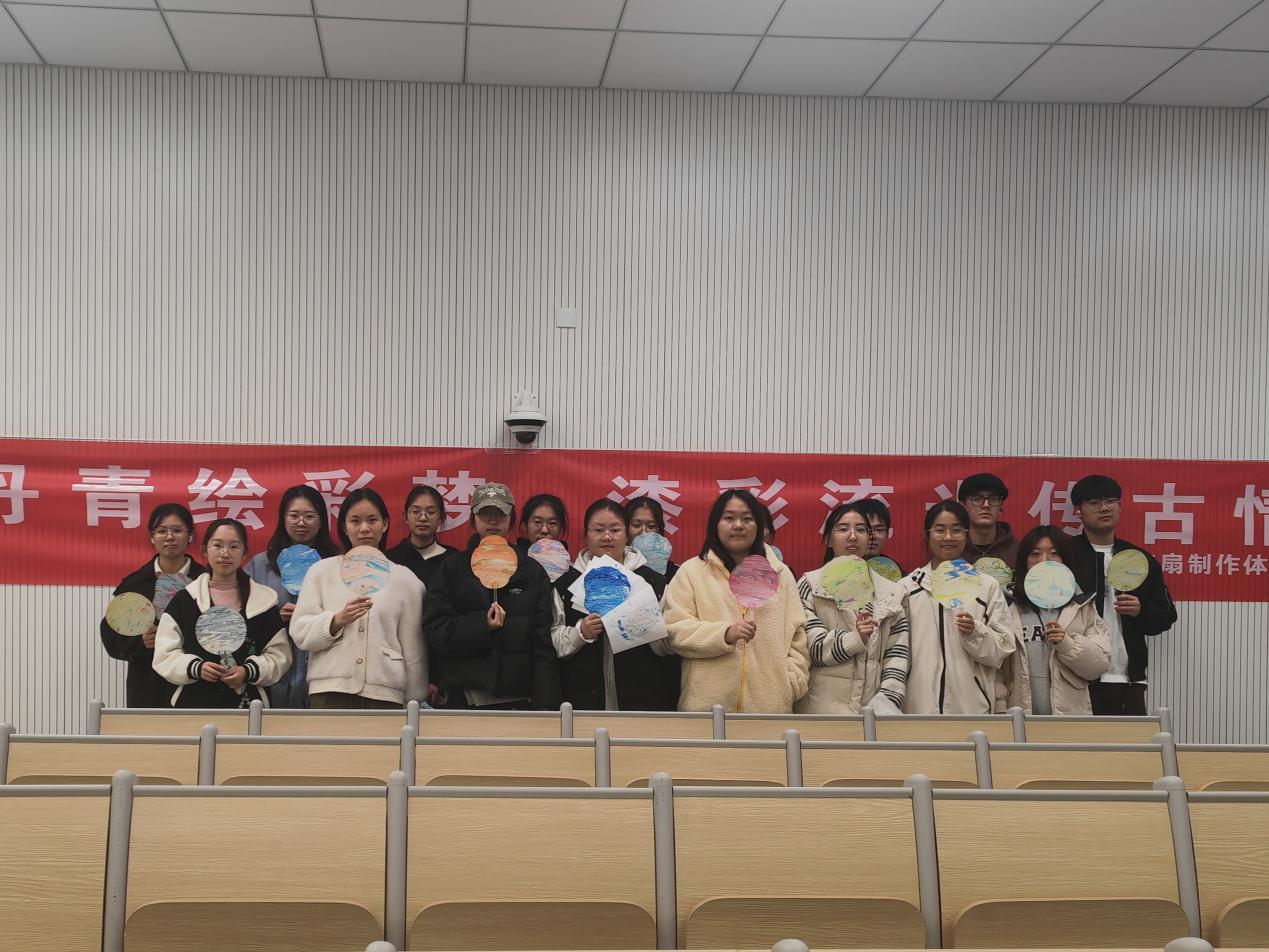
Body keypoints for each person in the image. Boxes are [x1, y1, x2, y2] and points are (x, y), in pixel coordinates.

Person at [664, 490, 809, 713]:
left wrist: (790, 685)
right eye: (729, 518)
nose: (739, 525)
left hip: (770, 711)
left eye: (747, 518)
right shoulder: (691, 572)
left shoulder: (780, 574)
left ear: (759, 526)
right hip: (707, 711)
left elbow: (798, 636)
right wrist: (724, 634)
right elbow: (675, 631)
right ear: (715, 524)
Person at [422, 483, 561, 709]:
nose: (493, 520)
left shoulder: (531, 571)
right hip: (464, 699)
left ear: (511, 518)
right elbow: (436, 631)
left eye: (500, 513)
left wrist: (546, 709)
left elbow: (542, 644)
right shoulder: (453, 568)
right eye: (485, 513)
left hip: (519, 701)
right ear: (473, 518)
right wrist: (481, 625)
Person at [291, 488, 427, 709]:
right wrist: (336, 621)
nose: (364, 528)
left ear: (385, 524)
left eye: (372, 520)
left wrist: (412, 699)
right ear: (345, 527)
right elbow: (300, 631)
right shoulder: (321, 572)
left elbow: (413, 648)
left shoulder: (406, 580)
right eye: (355, 521)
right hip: (329, 691)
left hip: (385, 695)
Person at [552, 499, 680, 710]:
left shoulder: (653, 582)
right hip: (581, 700)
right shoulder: (567, 584)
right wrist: (580, 633)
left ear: (627, 535)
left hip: (643, 699)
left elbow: (669, 646)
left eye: (615, 530)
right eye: (598, 530)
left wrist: (652, 630)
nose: (607, 537)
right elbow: (552, 641)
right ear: (585, 535)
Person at [153, 518, 292, 708]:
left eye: (234, 547)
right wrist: (196, 667)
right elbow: (165, 654)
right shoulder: (184, 600)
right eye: (217, 545)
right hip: (193, 704)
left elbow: (279, 655)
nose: (225, 553)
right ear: (204, 551)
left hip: (249, 706)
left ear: (244, 553)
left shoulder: (263, 602)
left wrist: (248, 671)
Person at [1069, 474, 1177, 716]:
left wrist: (1141, 611)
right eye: (1094, 502)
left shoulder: (1139, 559)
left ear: (1120, 506)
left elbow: (1166, 615)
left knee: (1132, 741)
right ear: (1078, 510)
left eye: (1111, 501)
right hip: (1074, 677)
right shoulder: (1065, 556)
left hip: (1127, 678)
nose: (1104, 508)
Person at [900, 501, 1015, 714]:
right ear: (927, 535)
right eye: (940, 530)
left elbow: (1004, 648)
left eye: (956, 530)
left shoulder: (986, 586)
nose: (948, 537)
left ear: (966, 534)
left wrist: (975, 632)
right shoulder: (907, 588)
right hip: (917, 707)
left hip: (971, 707)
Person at [795, 502, 910, 714]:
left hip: (875, 714)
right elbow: (813, 649)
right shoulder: (809, 585)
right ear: (828, 539)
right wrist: (855, 638)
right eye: (843, 529)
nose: (853, 536)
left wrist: (888, 700)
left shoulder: (893, 592)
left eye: (861, 530)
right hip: (822, 712)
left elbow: (898, 654)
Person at [100, 503, 207, 708]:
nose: (169, 537)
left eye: (177, 530)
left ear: (190, 536)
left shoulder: (206, 581)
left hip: (195, 682)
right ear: (152, 537)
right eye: (161, 531)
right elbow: (112, 637)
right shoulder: (135, 584)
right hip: (147, 684)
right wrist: (140, 641)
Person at [244, 485, 340, 708]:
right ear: (283, 518)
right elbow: (243, 616)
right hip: (272, 667)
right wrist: (273, 618)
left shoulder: (337, 563)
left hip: (323, 668)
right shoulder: (261, 564)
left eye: (309, 516)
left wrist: (311, 617)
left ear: (321, 521)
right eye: (294, 515)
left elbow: (348, 613)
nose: (301, 522)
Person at [1000, 526, 1110, 715]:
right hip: (1017, 718)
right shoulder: (1006, 604)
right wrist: (1000, 710)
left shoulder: (1082, 605)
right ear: (1024, 560)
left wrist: (1067, 644)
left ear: (1066, 559)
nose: (1044, 561)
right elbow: (995, 667)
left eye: (1054, 553)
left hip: (1068, 720)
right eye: (1035, 554)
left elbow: (1099, 666)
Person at [386, 484, 456, 588]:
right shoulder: (389, 559)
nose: (423, 518)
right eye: (416, 511)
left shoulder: (453, 559)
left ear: (441, 518)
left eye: (431, 512)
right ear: (405, 516)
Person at [958, 473, 1020, 566]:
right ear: (963, 506)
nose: (986, 505)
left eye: (993, 499)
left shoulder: (1018, 552)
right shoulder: (953, 550)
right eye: (977, 499)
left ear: (1001, 506)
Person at [626, 496, 679, 581]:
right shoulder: (616, 568)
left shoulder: (676, 574)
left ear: (659, 530)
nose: (644, 532)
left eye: (651, 526)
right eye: (636, 525)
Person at [855, 498, 900, 571]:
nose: (872, 536)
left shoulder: (900, 576)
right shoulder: (835, 572)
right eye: (862, 529)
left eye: (879, 530)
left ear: (888, 534)